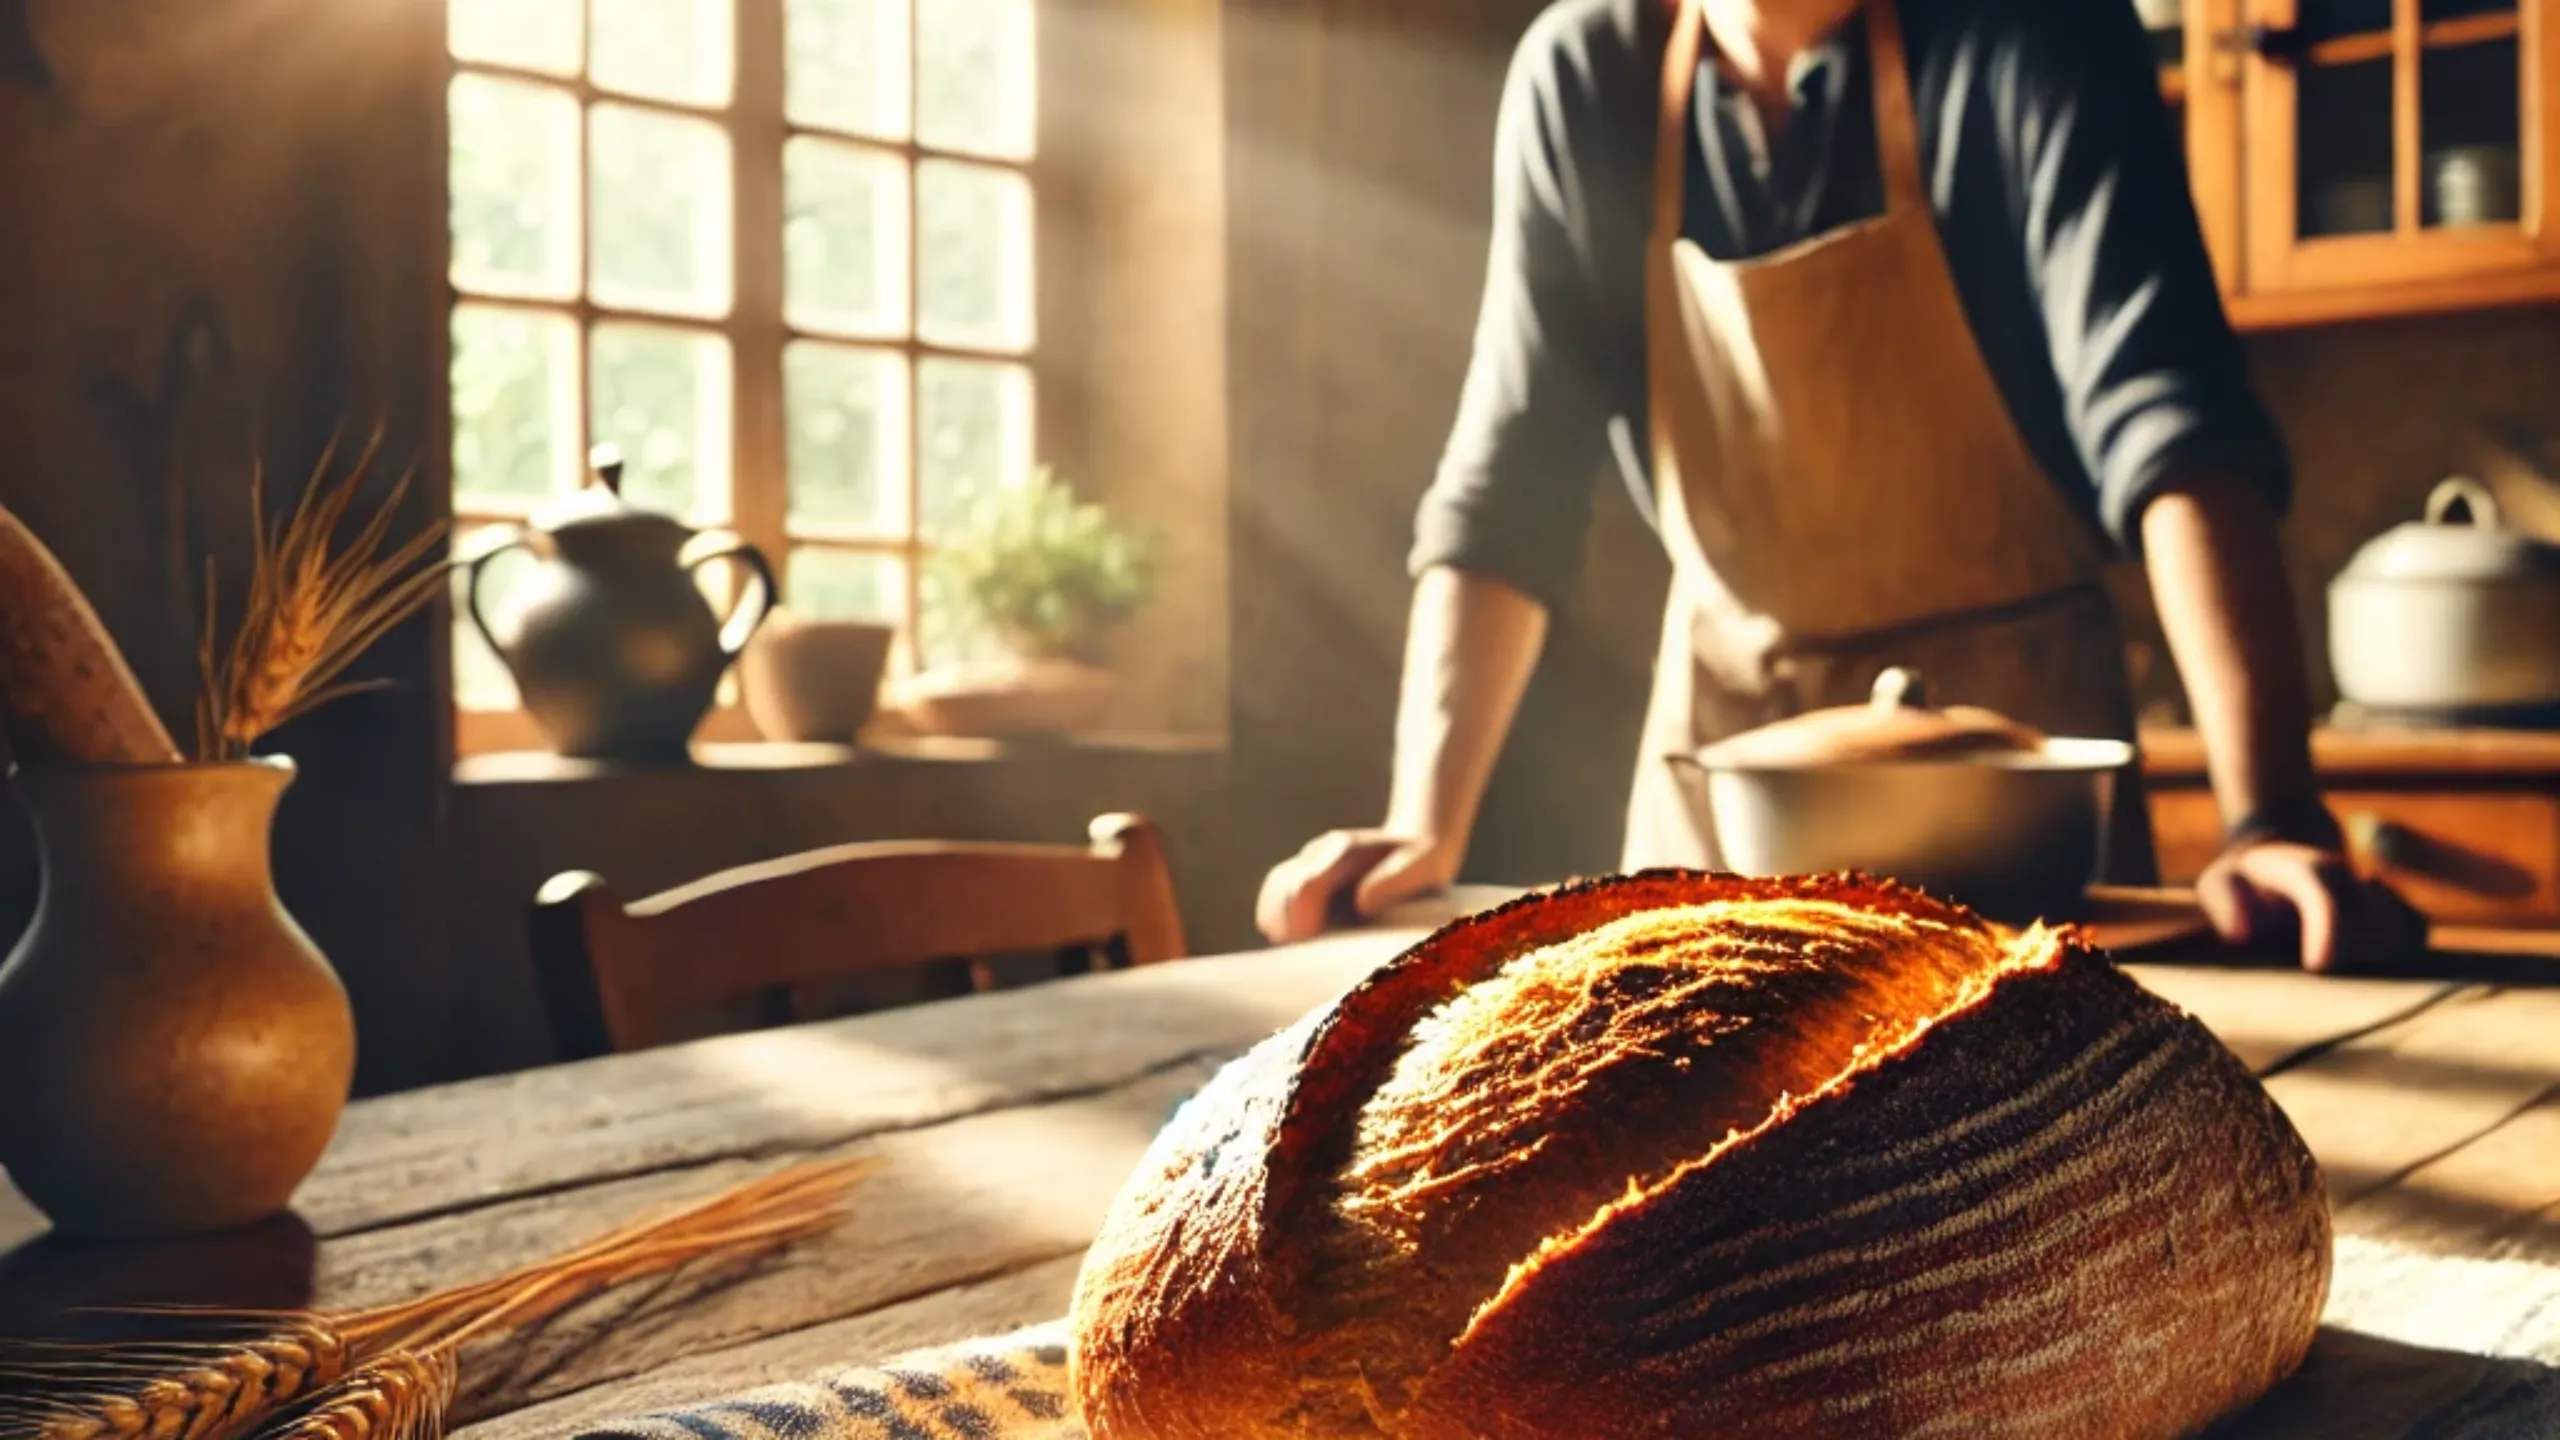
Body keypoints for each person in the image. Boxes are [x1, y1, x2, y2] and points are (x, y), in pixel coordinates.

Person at [1257, 0, 2421, 970]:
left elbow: (2172, 427)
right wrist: (1422, 824)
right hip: (1725, 785)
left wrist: (2267, 814)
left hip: (2016, 798)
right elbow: (1510, 479)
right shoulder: (1587, 75)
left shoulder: (2034, 32)